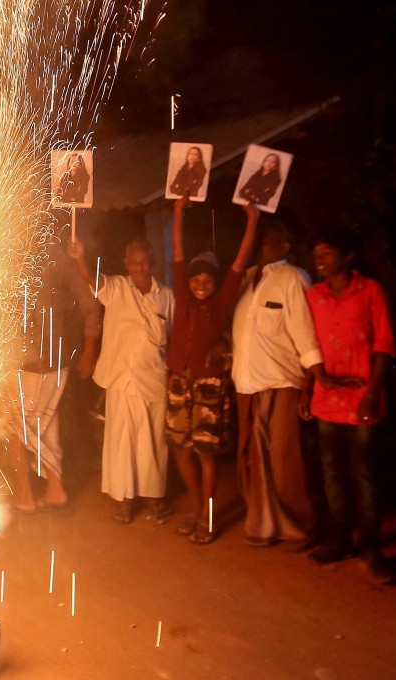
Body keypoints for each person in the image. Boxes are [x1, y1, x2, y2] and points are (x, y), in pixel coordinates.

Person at [231, 221, 349, 549]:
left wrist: (314, 379)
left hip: (281, 381)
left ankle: (301, 525)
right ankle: (264, 524)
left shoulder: (294, 278)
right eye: (262, 239)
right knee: (253, 457)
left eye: (273, 241)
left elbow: (304, 331)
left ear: (286, 248)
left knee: (285, 459)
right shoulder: (247, 275)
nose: (264, 245)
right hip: (247, 381)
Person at [300, 231, 396, 583]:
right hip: (326, 397)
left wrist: (373, 390)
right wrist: (305, 389)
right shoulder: (314, 295)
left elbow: (384, 343)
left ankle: (371, 547)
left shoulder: (369, 290)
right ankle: (340, 540)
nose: (319, 259)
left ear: (348, 256)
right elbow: (308, 345)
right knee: (331, 472)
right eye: (316, 253)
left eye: (326, 252)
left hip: (361, 397)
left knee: (364, 473)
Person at [166, 195, 258, 544]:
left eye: (208, 279)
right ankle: (197, 509)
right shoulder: (182, 297)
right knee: (180, 450)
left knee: (205, 455)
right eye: (196, 278)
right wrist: (177, 212)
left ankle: (207, 518)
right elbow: (177, 257)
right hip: (178, 383)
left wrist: (251, 219)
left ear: (216, 284)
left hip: (208, 386)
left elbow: (239, 263)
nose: (201, 283)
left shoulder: (221, 304)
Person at [0, 233, 102, 515]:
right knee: (36, 426)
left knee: (21, 427)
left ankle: (29, 494)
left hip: (51, 363)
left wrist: (89, 352)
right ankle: (53, 490)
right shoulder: (5, 269)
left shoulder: (61, 266)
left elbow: (91, 308)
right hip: (16, 363)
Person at [66, 236, 175, 524]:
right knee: (122, 442)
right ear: (126, 264)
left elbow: (173, 337)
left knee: (152, 441)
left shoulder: (167, 296)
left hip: (152, 379)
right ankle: (125, 501)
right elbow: (92, 277)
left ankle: (153, 497)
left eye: (143, 260)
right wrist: (80, 257)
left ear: (151, 261)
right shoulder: (116, 288)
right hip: (121, 380)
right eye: (134, 260)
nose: (139, 265)